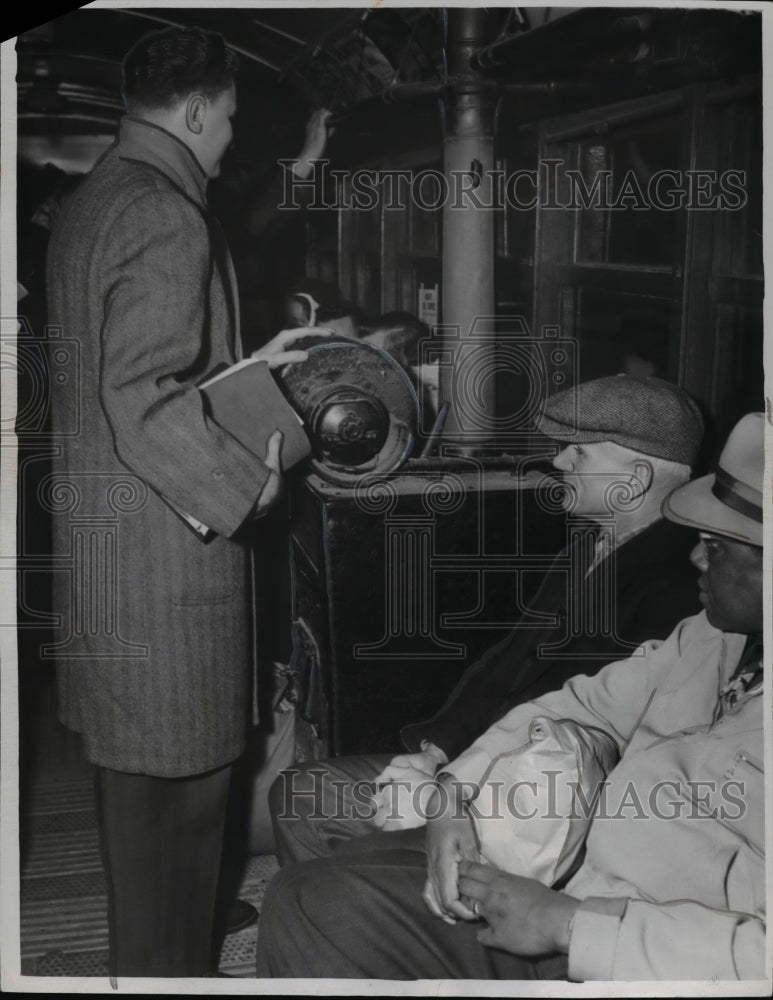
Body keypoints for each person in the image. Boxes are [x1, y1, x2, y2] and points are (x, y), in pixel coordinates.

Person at [256, 410, 765, 982]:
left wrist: (570, 926)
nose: (697, 557)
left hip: (614, 932)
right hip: (559, 838)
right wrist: (451, 787)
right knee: (314, 847)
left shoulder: (672, 594)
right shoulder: (712, 636)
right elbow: (575, 701)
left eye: (719, 547)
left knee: (317, 901)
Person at [45, 26, 320, 977]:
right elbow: (143, 397)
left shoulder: (93, 201)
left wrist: (246, 367)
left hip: (109, 552)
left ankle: (155, 949)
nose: (230, 141)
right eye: (229, 122)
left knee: (140, 805)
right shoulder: (167, 213)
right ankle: (171, 969)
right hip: (169, 565)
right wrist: (250, 482)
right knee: (187, 795)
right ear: (197, 111)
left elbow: (121, 374)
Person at [269, 374, 704, 865]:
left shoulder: (681, 591)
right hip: (486, 763)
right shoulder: (592, 544)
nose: (559, 461)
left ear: (636, 478)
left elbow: (591, 744)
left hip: (545, 806)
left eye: (578, 453)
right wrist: (434, 752)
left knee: (316, 820)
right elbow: (505, 665)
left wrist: (453, 789)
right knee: (300, 791)